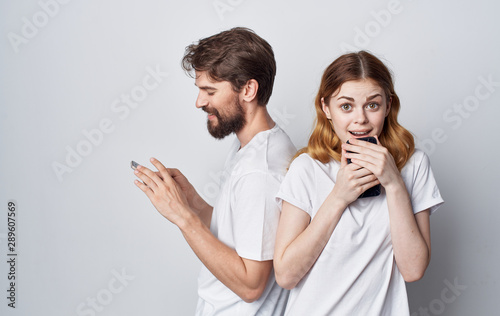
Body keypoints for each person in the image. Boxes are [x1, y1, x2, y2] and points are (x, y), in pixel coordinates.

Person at [133, 27, 295, 315]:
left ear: (248, 89)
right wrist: (192, 203)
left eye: (209, 91)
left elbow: (251, 285)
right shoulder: (250, 147)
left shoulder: (260, 171)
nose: (199, 102)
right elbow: (240, 235)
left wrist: (182, 217)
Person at [273, 51, 444, 315]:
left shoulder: (414, 165)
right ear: (326, 108)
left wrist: (394, 184)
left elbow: (413, 270)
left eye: (372, 105)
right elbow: (286, 276)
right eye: (346, 106)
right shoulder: (306, 169)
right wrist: (339, 197)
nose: (360, 119)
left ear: (388, 105)